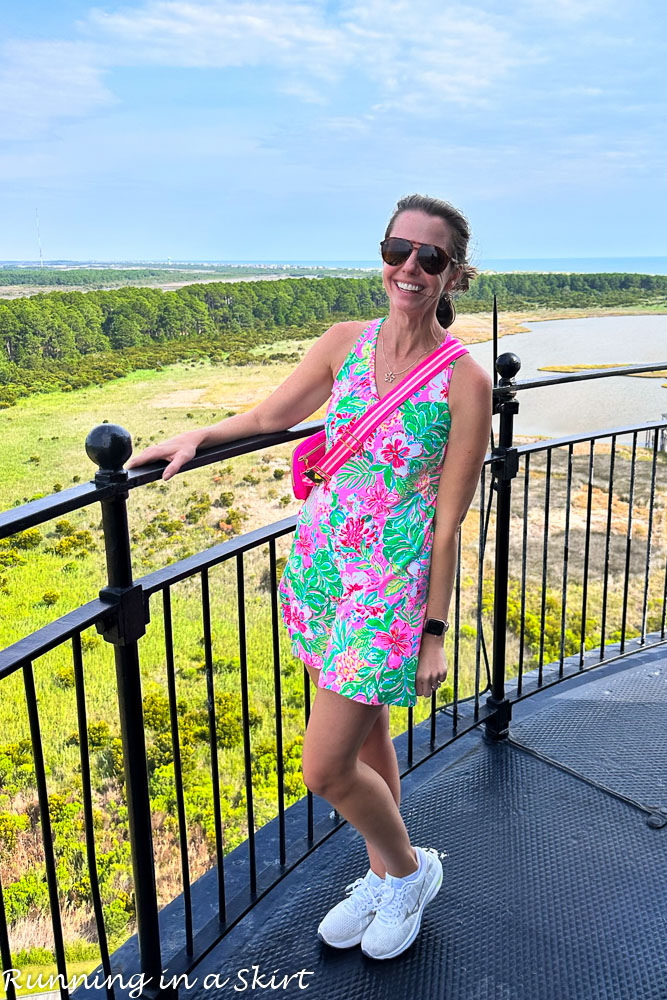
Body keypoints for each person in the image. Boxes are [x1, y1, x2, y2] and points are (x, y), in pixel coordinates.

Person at [127, 193, 492, 961]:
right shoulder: (343, 343)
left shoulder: (464, 381)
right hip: (324, 573)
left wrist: (431, 634)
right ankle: (383, 871)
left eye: (430, 258)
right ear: (383, 252)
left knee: (324, 767)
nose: (409, 268)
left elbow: (451, 520)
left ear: (454, 275)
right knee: (367, 740)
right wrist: (196, 434)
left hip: (388, 594)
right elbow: (270, 416)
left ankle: (407, 869)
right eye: (398, 249)